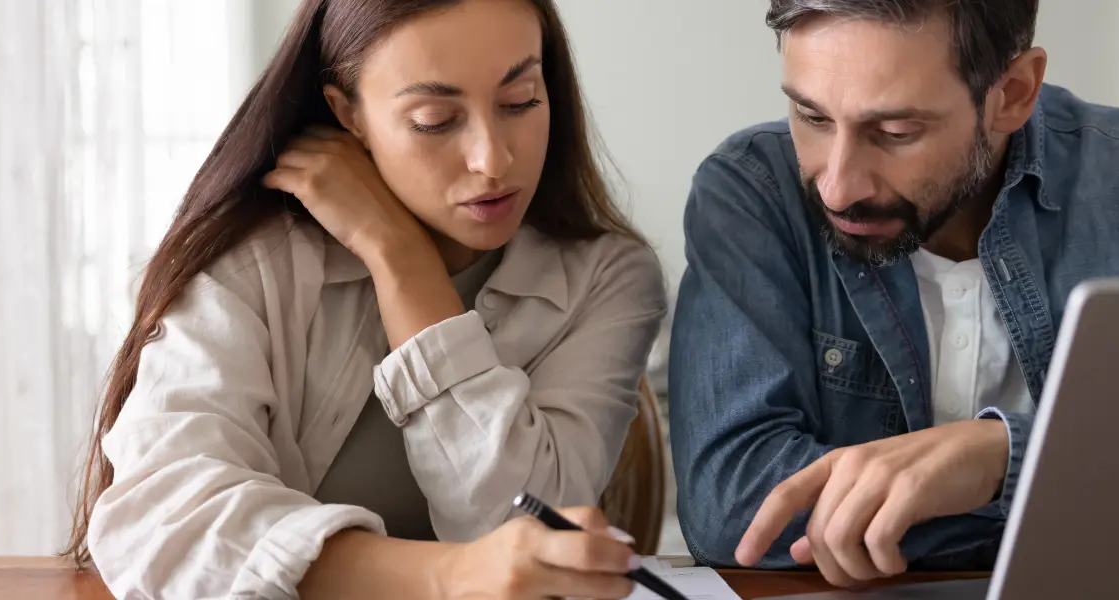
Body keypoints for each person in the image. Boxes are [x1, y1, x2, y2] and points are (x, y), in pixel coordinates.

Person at [668, 0, 1119, 588]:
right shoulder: (753, 191)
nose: (837, 186)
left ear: (1013, 92)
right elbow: (735, 510)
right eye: (812, 117)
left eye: (895, 131)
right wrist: (1083, 495)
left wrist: (1002, 459)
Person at [60, 0, 667, 598]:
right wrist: (447, 578)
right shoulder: (251, 265)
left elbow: (530, 532)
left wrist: (402, 261)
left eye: (520, 101)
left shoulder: (607, 277)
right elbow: (164, 520)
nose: (493, 159)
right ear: (347, 113)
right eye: (434, 119)